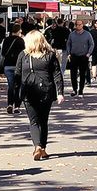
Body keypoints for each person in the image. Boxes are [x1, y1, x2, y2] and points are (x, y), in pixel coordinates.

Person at [17, 29, 65, 161]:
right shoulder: (49, 55)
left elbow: (17, 74)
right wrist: (59, 92)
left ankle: (37, 146)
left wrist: (15, 95)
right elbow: (57, 75)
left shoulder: (24, 55)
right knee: (43, 121)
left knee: (34, 121)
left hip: (28, 91)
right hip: (46, 91)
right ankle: (42, 148)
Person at [0, 25, 26, 114]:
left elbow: (3, 53)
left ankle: (10, 104)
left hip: (7, 65)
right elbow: (24, 53)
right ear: (19, 31)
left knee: (11, 86)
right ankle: (17, 106)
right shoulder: (21, 40)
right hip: (18, 65)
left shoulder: (6, 40)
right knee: (18, 86)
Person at [65, 20, 94, 96]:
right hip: (74, 56)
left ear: (82, 25)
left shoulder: (87, 34)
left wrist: (88, 54)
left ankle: (81, 90)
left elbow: (91, 44)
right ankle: (74, 89)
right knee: (73, 74)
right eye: (77, 25)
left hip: (83, 56)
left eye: (80, 25)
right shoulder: (72, 34)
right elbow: (68, 44)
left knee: (82, 74)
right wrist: (68, 53)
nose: (78, 26)